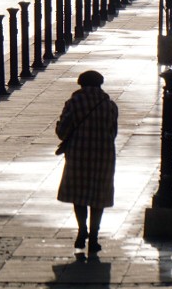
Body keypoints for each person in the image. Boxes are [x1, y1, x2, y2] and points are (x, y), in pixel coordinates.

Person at [56, 70, 118, 254]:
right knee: (98, 196)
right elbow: (113, 132)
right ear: (100, 84)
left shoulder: (74, 102)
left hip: (78, 154)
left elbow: (62, 131)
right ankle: (94, 236)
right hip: (103, 155)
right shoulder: (110, 105)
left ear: (81, 84)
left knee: (79, 194)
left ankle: (82, 229)